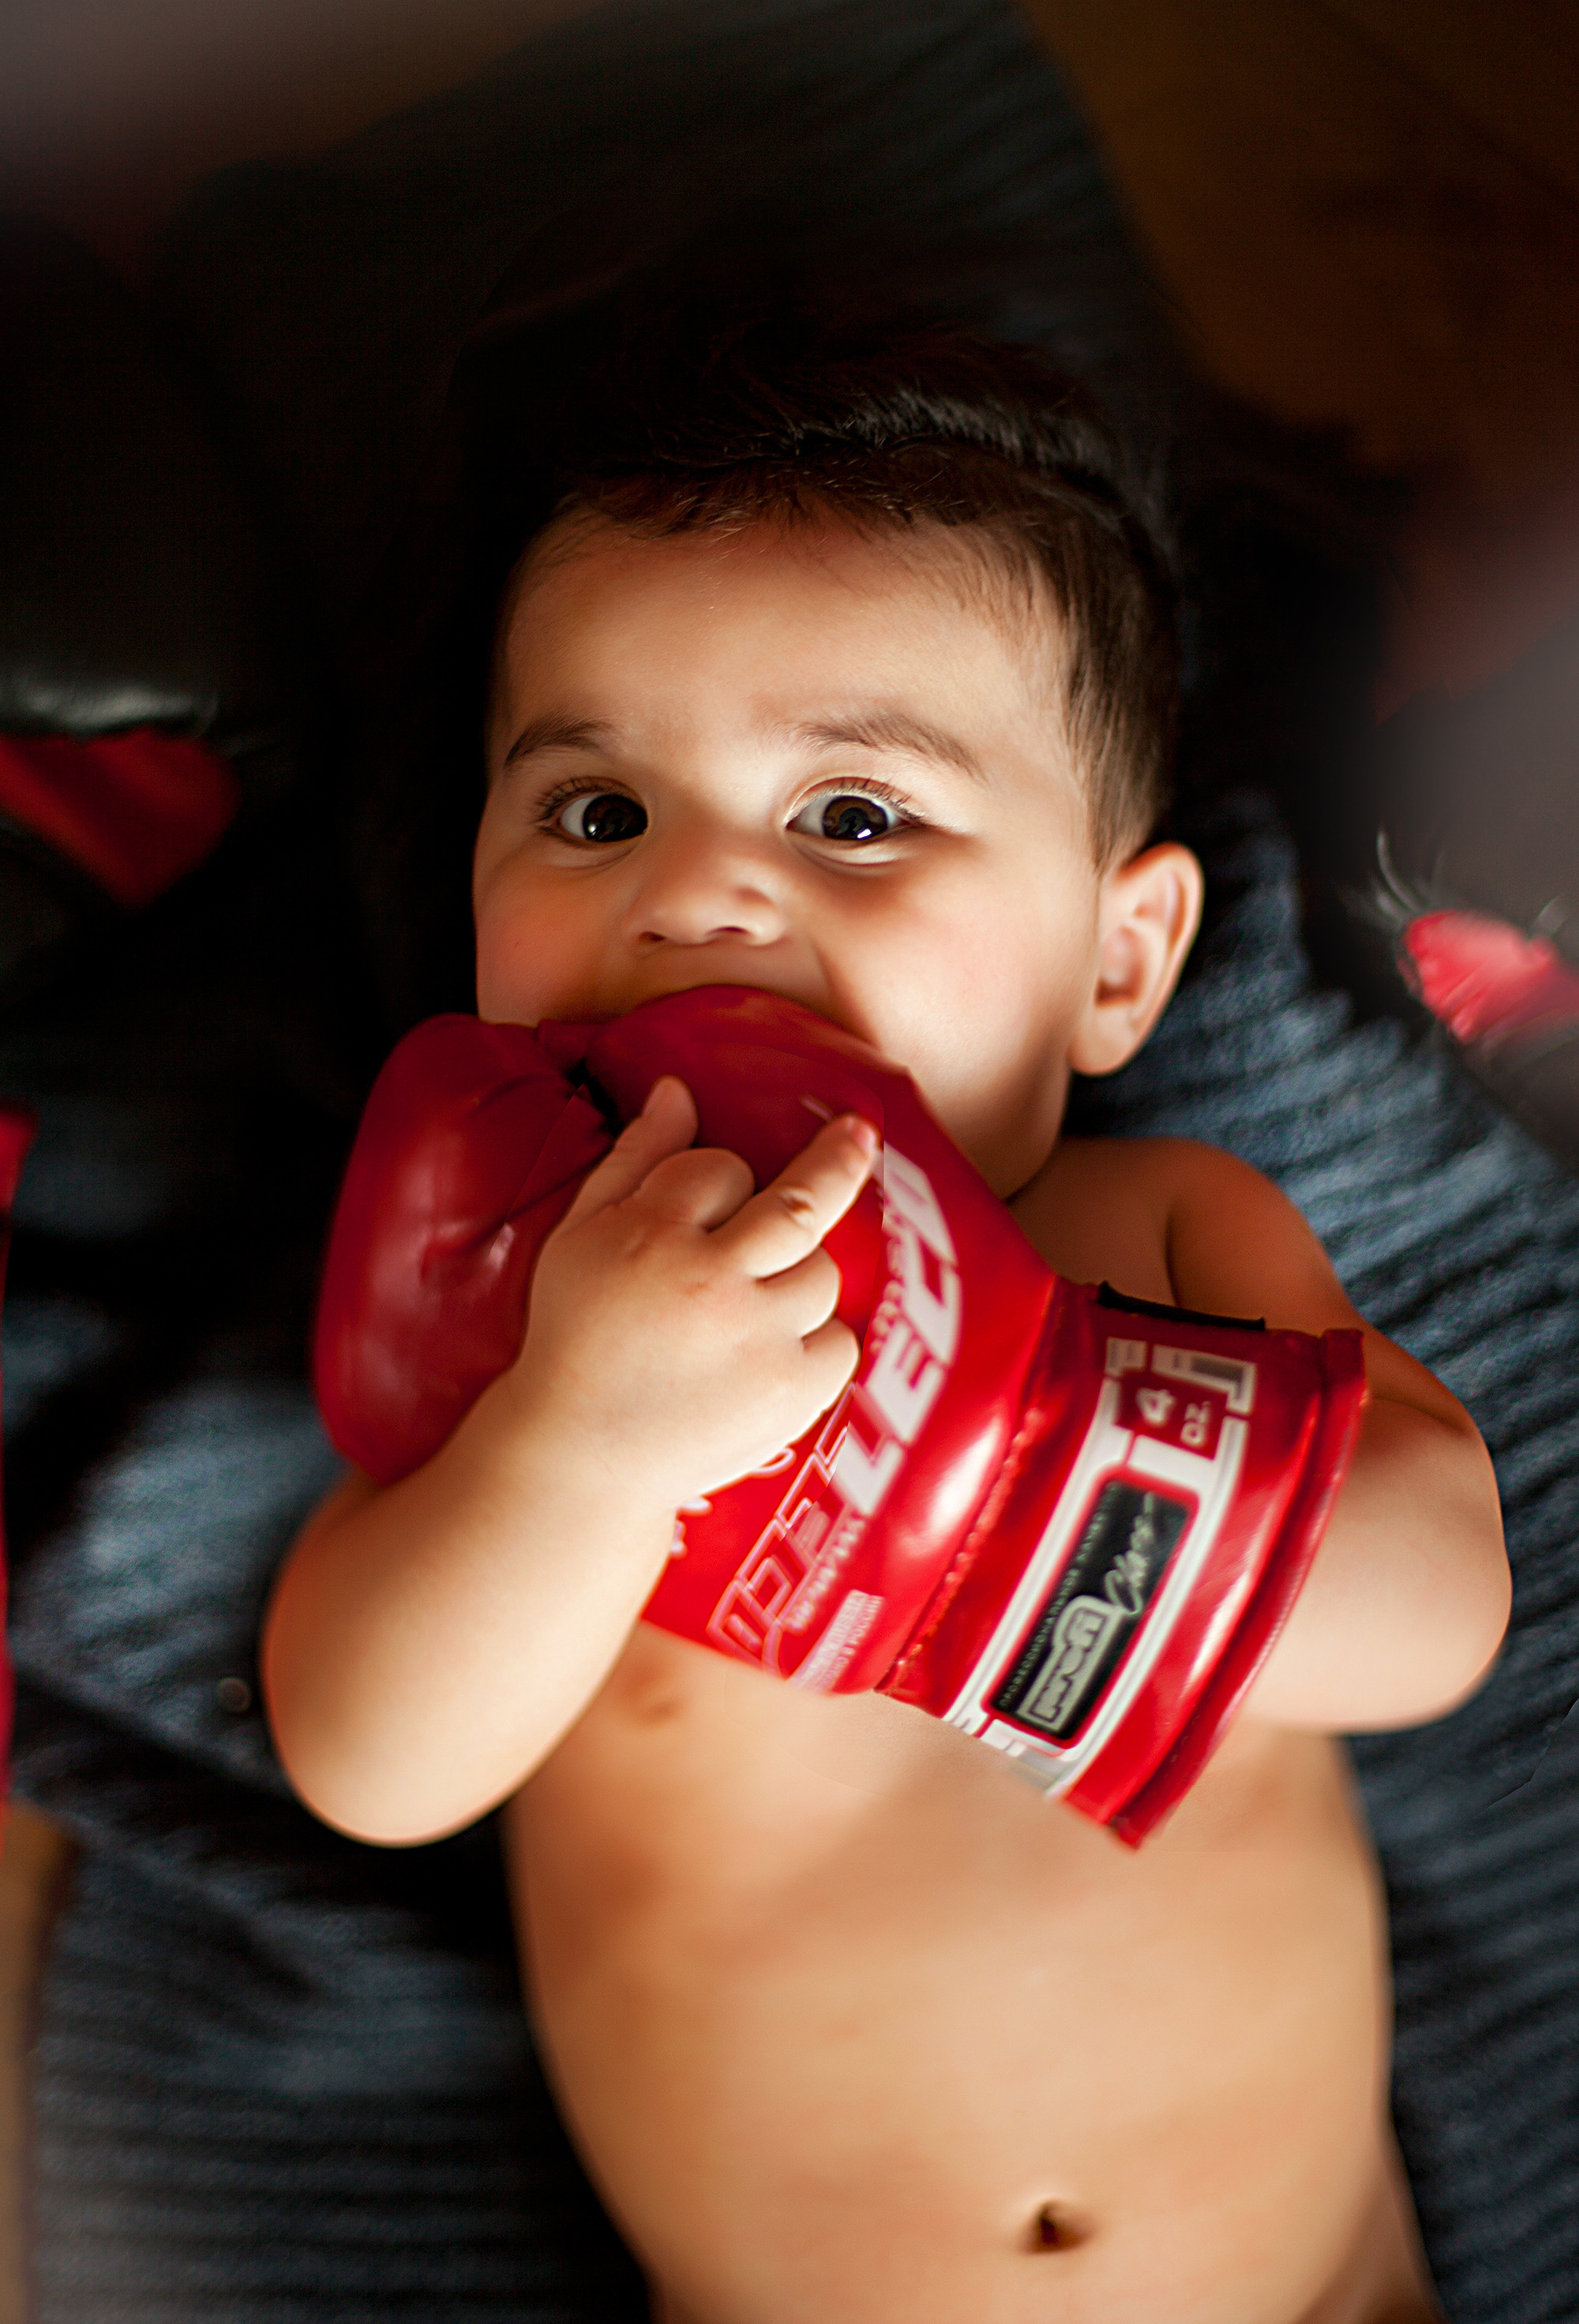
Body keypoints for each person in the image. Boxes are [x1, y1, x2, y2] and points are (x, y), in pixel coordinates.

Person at [261, 309, 1510, 2324]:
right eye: (596, 812)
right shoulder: (505, 1328)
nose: (699, 899)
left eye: (854, 815)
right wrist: (583, 1440)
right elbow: (365, 1755)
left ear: (1119, 961)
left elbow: (1440, 1601)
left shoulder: (1161, 1226)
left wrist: (999, 1467)